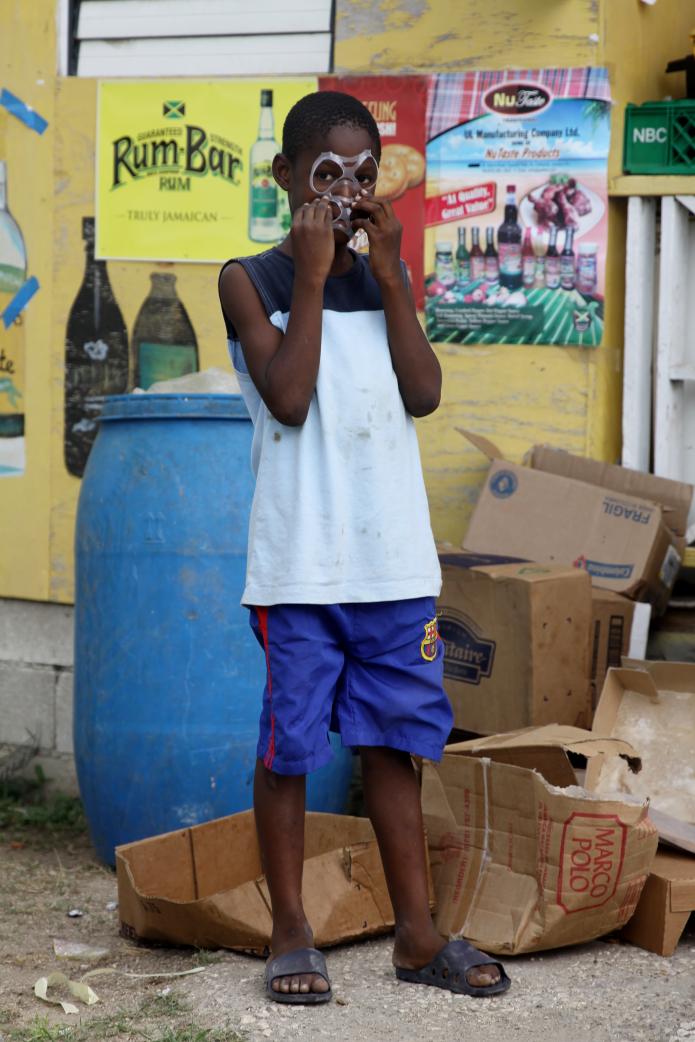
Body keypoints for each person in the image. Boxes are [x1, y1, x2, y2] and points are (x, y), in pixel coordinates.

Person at [218, 90, 510, 1005]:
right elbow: (289, 398)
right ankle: (290, 930)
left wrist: (388, 279)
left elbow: (422, 394)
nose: (347, 192)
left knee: (392, 746)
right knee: (290, 748)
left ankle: (417, 937)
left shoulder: (389, 276)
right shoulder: (249, 279)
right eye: (326, 174)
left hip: (392, 564)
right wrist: (311, 278)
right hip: (301, 568)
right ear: (285, 177)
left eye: (363, 175)